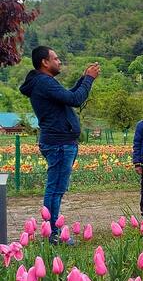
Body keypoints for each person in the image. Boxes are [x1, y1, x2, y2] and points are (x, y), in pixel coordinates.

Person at [19, 46, 100, 245]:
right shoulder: (44, 82)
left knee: (56, 189)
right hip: (59, 144)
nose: (59, 61)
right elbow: (75, 99)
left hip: (59, 143)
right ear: (45, 62)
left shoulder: (43, 83)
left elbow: (68, 96)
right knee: (55, 190)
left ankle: (52, 232)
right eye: (56, 58)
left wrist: (82, 80)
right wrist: (89, 79)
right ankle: (53, 235)